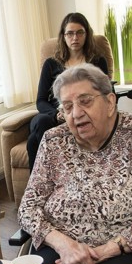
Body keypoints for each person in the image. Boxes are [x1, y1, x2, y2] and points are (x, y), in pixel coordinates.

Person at [18, 64, 132, 264]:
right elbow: (27, 209)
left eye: (85, 101)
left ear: (110, 102)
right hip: (60, 251)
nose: (76, 113)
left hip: (126, 251)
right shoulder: (53, 141)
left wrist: (105, 251)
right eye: (67, 107)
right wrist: (63, 244)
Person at [27, 12, 110, 170]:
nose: (75, 38)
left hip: (84, 114)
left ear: (87, 34)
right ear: (63, 36)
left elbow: (106, 95)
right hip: (54, 115)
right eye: (70, 33)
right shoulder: (51, 64)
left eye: (80, 32)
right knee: (41, 121)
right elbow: (41, 101)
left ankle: (43, 179)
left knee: (32, 141)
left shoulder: (98, 62)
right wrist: (58, 113)